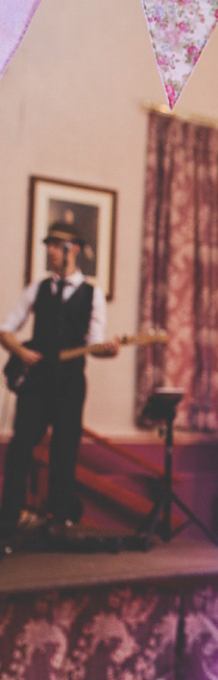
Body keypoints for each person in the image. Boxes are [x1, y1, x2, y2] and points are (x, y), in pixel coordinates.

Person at [0, 222, 118, 542]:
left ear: (73, 249)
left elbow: (96, 343)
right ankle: (10, 517)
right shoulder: (36, 289)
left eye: (56, 244)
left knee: (65, 451)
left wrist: (109, 351)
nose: (50, 251)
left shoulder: (93, 295)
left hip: (69, 382)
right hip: (35, 381)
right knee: (21, 446)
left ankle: (59, 519)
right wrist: (21, 352)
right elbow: (6, 329)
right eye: (48, 245)